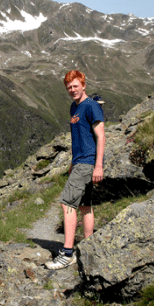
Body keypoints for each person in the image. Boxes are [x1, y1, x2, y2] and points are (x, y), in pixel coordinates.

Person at [45, 70, 105, 270]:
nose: (72, 90)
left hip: (88, 163)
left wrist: (98, 165)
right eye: (69, 87)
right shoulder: (74, 108)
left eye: (75, 86)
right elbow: (79, 138)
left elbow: (101, 136)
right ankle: (88, 245)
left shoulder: (91, 106)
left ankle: (67, 253)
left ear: (84, 85)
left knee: (67, 203)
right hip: (79, 162)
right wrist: (72, 163)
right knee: (84, 205)